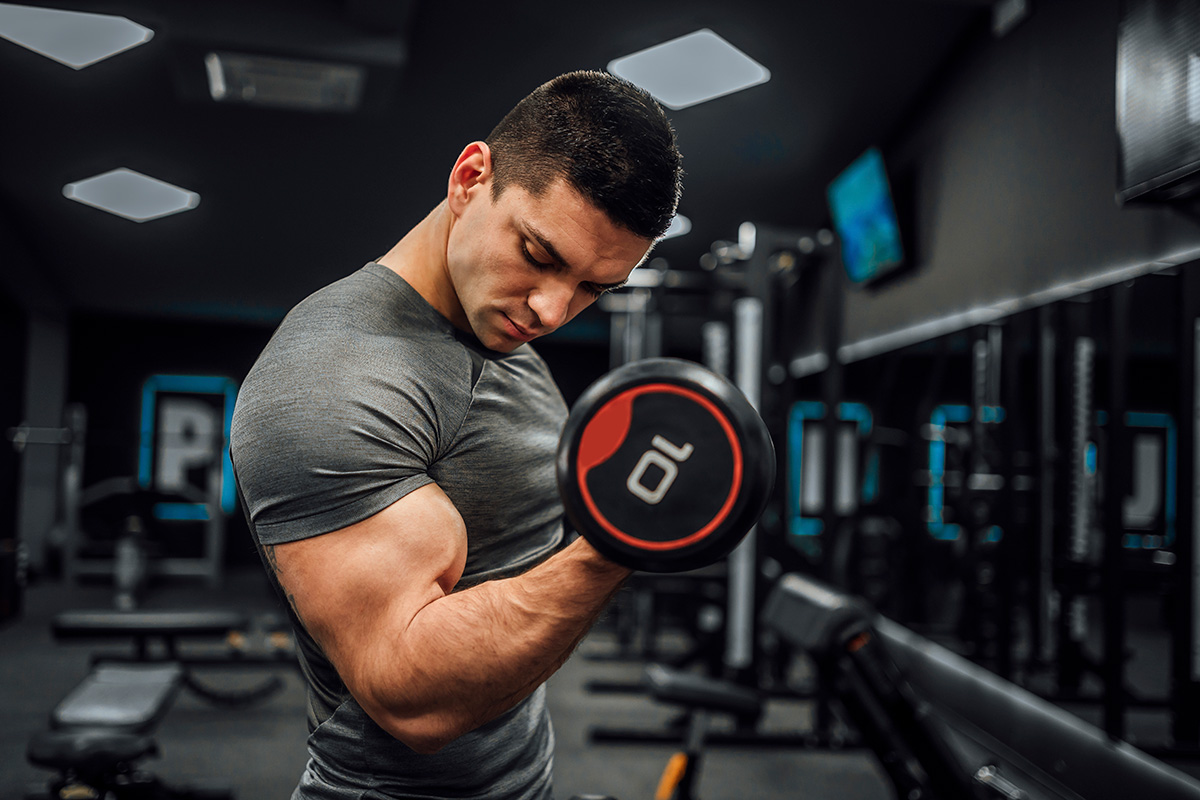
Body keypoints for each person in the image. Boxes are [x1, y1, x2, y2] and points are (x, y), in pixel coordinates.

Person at [230, 70, 684, 800]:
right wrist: (620, 541)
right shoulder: (331, 380)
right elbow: (408, 690)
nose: (552, 309)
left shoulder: (496, 329)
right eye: (540, 255)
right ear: (471, 179)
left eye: (594, 288)